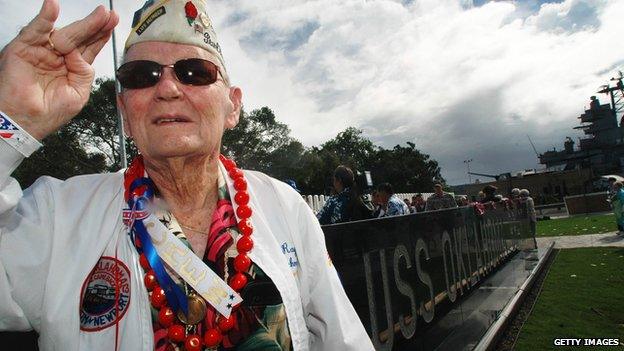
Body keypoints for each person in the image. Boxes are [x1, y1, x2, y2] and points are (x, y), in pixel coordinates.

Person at [0, 1, 374, 350]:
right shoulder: (55, 218)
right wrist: (10, 120)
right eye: (141, 75)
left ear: (233, 106)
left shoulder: (285, 206)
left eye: (195, 72)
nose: (167, 88)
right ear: (124, 112)